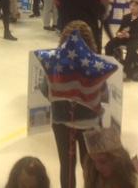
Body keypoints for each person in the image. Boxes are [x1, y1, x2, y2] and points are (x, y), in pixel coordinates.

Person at [43, 21, 103, 188]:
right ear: (89, 42)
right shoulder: (96, 64)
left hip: (62, 122)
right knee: (89, 166)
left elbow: (45, 90)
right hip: (89, 124)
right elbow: (103, 93)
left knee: (67, 166)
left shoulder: (54, 63)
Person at [104, 0, 138, 81]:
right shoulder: (126, 17)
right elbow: (120, 30)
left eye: (135, 6)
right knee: (109, 45)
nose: (132, 7)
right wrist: (118, 34)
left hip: (135, 39)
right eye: (131, 5)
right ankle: (110, 65)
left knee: (131, 48)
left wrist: (130, 35)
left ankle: (127, 70)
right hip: (124, 38)